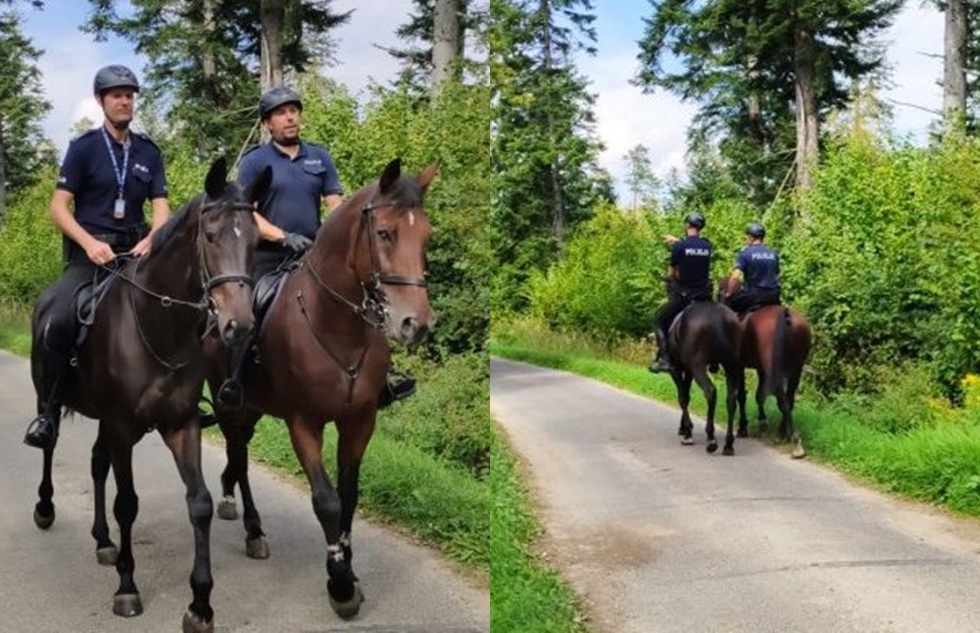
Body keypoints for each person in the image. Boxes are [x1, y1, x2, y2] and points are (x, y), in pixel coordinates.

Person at [217, 85, 415, 407]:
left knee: (363, 298)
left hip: (313, 253)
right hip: (269, 256)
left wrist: (343, 237)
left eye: (294, 110)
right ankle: (235, 380)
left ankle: (383, 376)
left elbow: (335, 204)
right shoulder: (256, 161)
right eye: (281, 113)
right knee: (252, 307)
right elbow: (246, 213)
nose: (290, 117)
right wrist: (282, 236)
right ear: (268, 123)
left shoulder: (319, 157)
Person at [24, 65, 170, 449]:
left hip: (135, 257)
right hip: (89, 259)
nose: (125, 101)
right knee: (56, 319)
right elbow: (58, 208)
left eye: (129, 95)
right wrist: (89, 243)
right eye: (116, 95)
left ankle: (179, 403)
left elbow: (162, 209)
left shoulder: (148, 152)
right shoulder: (83, 148)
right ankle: (49, 411)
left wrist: (154, 238)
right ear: (101, 101)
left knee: (180, 311)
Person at [648, 211, 713, 373]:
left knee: (658, 321)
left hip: (685, 296)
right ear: (700, 227)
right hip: (704, 296)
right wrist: (678, 242)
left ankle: (664, 358)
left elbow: (671, 274)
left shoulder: (679, 247)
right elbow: (693, 247)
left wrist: (668, 277)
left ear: (687, 225)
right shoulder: (707, 245)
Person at [723, 222, 781, 314]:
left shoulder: (745, 253)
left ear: (751, 237)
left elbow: (736, 277)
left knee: (728, 304)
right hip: (773, 296)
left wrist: (729, 294)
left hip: (754, 296)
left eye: (746, 236)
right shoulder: (773, 253)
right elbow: (778, 277)